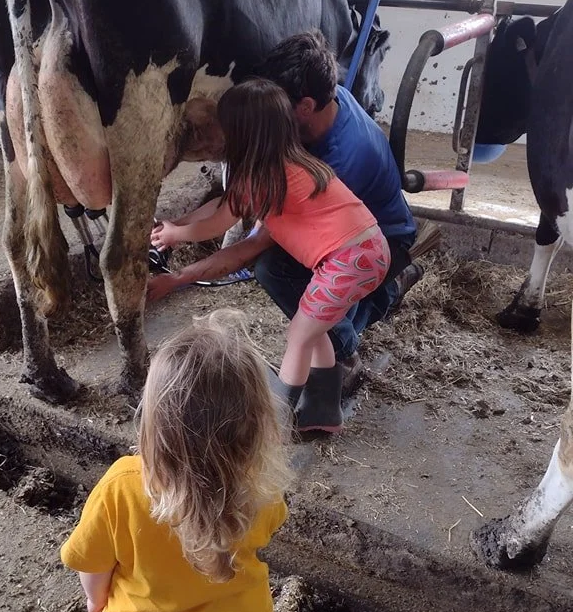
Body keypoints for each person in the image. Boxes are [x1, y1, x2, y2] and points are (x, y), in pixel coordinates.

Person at [60, 311, 290, 612]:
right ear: (255, 423)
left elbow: (91, 561)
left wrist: (95, 600)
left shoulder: (123, 484)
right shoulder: (262, 490)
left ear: (155, 417)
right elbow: (263, 537)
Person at [148, 31, 427, 394]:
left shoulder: (337, 159)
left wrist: (178, 275)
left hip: (380, 241)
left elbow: (248, 244)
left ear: (304, 107)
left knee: (278, 276)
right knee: (306, 302)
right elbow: (228, 205)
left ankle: (347, 349)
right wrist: (172, 227)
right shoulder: (327, 102)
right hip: (361, 241)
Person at [152, 78, 390, 432]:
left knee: (299, 334)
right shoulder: (291, 163)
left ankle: (275, 425)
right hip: (367, 251)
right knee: (312, 329)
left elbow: (217, 223)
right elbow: (223, 207)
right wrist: (176, 227)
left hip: (347, 260)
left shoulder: (260, 179)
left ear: (240, 134)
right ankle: (323, 412)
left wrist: (176, 233)